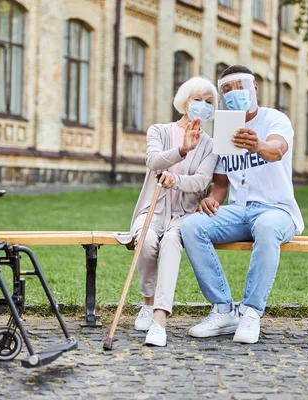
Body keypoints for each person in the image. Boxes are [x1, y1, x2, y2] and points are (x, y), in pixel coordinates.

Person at [180, 65, 304, 344]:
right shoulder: (226, 126)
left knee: (269, 226)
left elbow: (277, 150)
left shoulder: (275, 119)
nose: (234, 93)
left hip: (276, 210)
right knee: (191, 226)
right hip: (239, 211)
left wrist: (257, 145)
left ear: (254, 87)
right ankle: (224, 310)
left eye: (240, 86)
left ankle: (250, 313)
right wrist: (212, 198)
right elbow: (222, 182)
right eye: (226, 89)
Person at [129, 76, 219, 347]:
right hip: (153, 208)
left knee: (169, 243)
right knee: (145, 241)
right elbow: (154, 161)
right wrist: (182, 149)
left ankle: (159, 319)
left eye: (209, 102)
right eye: (197, 100)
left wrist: (176, 180)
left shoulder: (211, 145)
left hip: (185, 214)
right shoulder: (159, 130)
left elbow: (202, 181)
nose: (203, 105)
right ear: (184, 102)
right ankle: (147, 302)